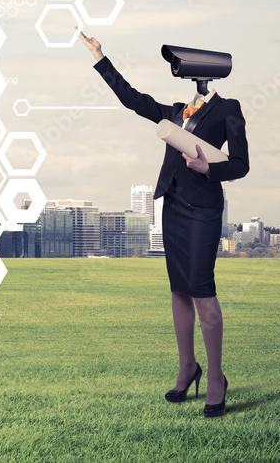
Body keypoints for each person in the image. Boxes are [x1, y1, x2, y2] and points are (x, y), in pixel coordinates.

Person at [79, 31, 249, 417]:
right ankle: (187, 367)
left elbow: (241, 164)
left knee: (203, 291)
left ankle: (217, 378)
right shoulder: (176, 110)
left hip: (203, 211)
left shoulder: (229, 109)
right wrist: (100, 58)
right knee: (179, 291)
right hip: (171, 207)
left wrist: (210, 169)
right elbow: (132, 99)